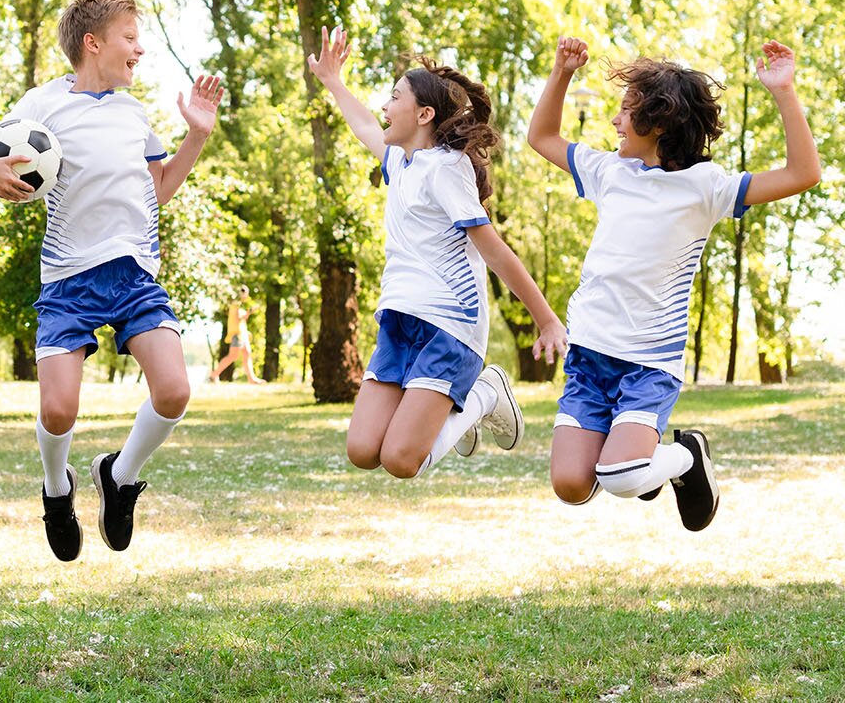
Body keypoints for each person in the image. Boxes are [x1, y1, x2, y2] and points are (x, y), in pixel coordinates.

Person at [0, 0, 223, 561]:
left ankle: (119, 477)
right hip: (69, 282)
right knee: (58, 411)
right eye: (130, 38)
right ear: (93, 43)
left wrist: (195, 134)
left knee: (174, 391)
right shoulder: (43, 104)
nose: (140, 50)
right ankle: (56, 488)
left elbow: (160, 190)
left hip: (134, 277)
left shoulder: (133, 112)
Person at [528, 36, 820, 530]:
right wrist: (561, 75)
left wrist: (784, 91)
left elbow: (803, 173)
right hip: (589, 356)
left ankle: (685, 455)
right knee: (572, 485)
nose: (616, 121)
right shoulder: (608, 171)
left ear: (658, 123)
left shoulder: (706, 188)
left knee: (620, 477)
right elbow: (543, 138)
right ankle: (641, 462)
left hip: (648, 363)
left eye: (626, 111)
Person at [307, 27, 566, 481]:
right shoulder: (400, 162)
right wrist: (332, 79)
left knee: (401, 461)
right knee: (363, 450)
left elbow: (494, 249)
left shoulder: (446, 168)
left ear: (424, 114)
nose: (384, 108)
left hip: (449, 326)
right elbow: (365, 125)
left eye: (394, 98)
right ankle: (450, 412)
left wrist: (545, 318)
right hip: (399, 321)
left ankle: (485, 394)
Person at [207, 290, 265, 384]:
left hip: (242, 334)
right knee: (233, 356)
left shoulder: (239, 305)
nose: (247, 296)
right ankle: (214, 375)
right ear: (242, 293)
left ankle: (252, 379)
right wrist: (250, 311)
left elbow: (242, 318)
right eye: (246, 293)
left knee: (246, 354)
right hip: (237, 334)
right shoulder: (236, 304)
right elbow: (239, 318)